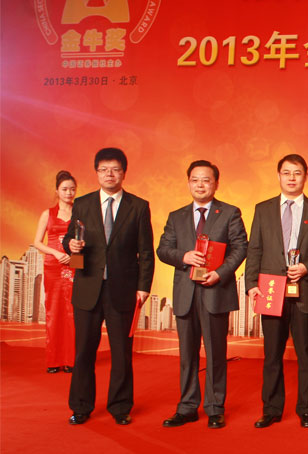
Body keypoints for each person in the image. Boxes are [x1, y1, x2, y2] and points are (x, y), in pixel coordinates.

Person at [62, 148, 154, 426]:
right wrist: (70, 245)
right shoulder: (83, 204)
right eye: (104, 170)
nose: (109, 174)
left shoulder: (138, 206)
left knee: (121, 352)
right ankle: (81, 406)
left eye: (115, 169)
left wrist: (143, 287)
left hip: (123, 289)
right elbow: (69, 238)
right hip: (87, 287)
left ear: (123, 173)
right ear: (97, 173)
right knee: (83, 351)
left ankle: (120, 406)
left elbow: (145, 251)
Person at [156, 160, 248, 429]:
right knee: (187, 355)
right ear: (188, 183)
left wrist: (220, 273)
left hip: (215, 290)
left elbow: (241, 247)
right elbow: (163, 250)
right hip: (185, 293)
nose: (200, 185)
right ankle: (187, 407)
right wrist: (183, 257)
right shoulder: (176, 216)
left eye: (206, 180)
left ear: (215, 184)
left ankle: (215, 407)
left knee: (216, 353)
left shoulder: (229, 213)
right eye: (195, 180)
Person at [245, 154, 308, 429]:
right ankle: (271, 409)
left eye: (297, 173)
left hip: (305, 289)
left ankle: (307, 409)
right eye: (286, 172)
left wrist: (307, 267)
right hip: (271, 290)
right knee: (272, 354)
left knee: (306, 354)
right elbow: (255, 247)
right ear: (279, 176)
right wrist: (251, 284)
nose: (291, 178)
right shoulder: (263, 209)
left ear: (306, 176)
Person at [33, 170, 78, 374]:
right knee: (54, 312)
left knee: (72, 313)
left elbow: (87, 241)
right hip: (53, 266)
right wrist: (56, 253)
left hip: (75, 264)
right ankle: (53, 360)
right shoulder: (48, 214)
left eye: (72, 189)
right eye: (65, 189)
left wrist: (73, 256)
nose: (69, 193)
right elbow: (37, 242)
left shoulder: (80, 213)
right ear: (57, 191)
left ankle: (70, 360)